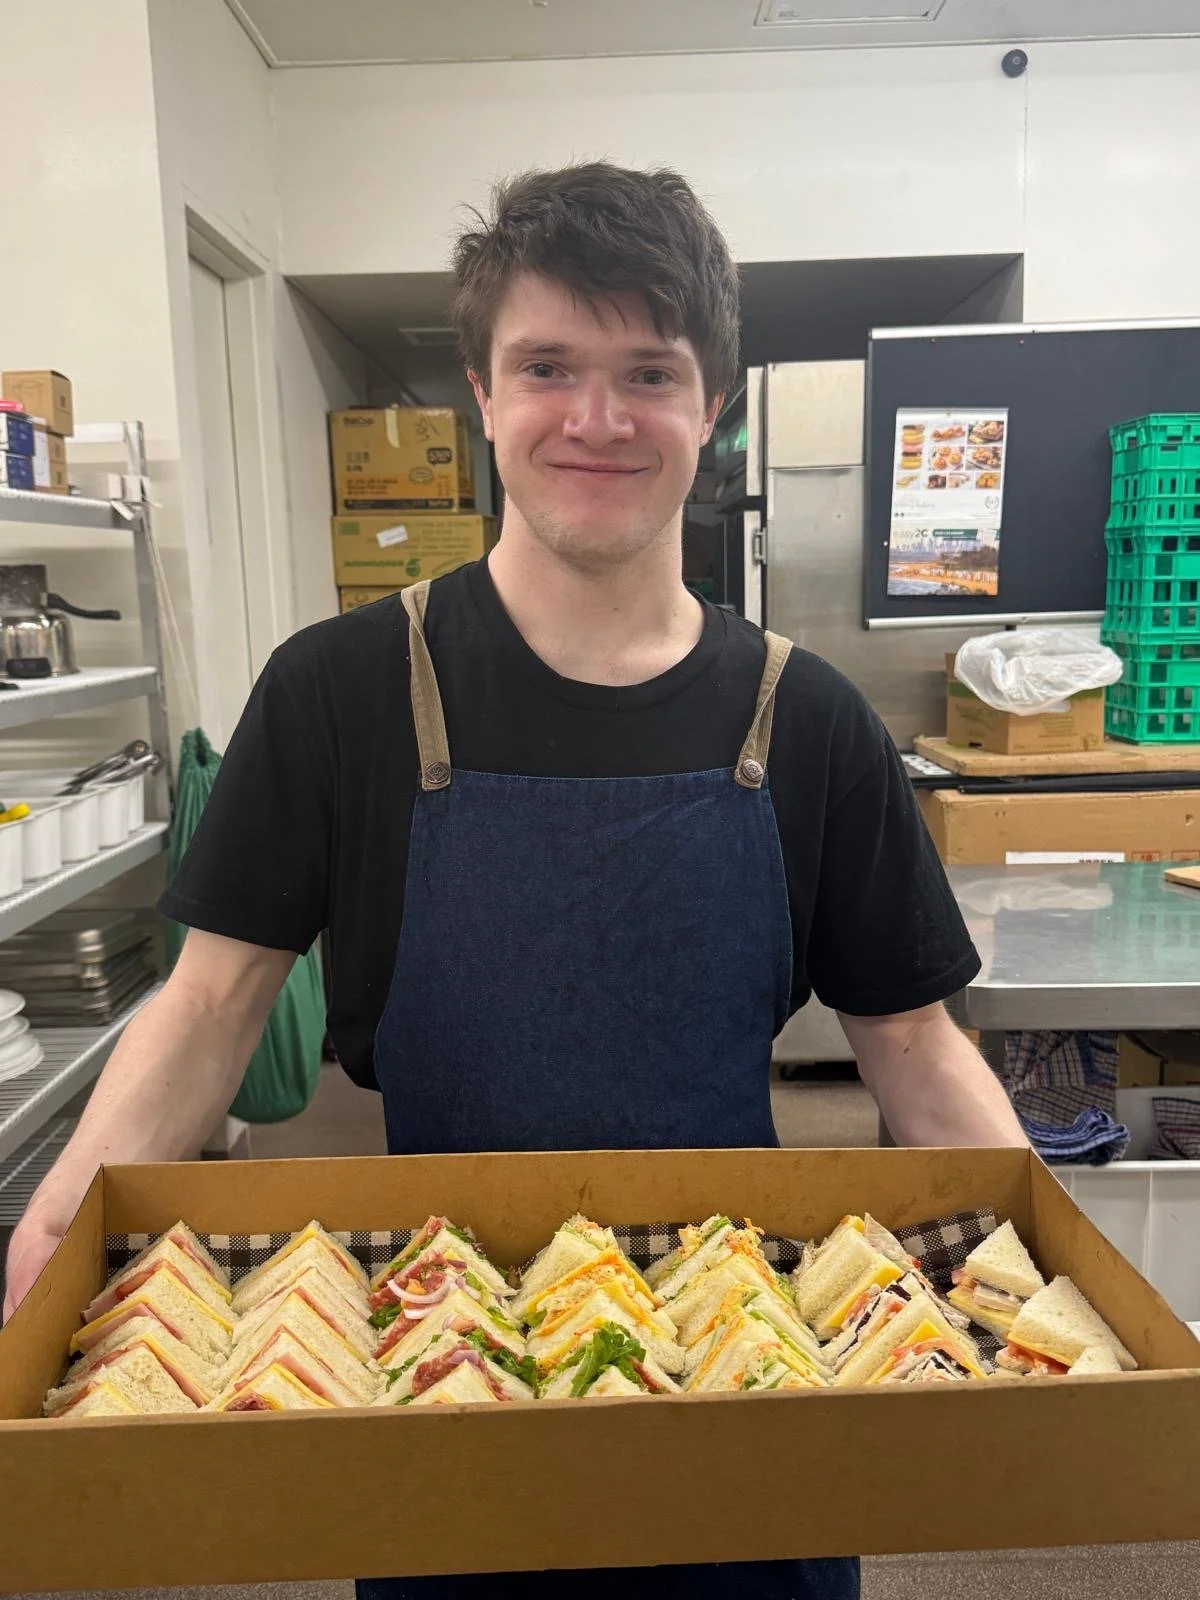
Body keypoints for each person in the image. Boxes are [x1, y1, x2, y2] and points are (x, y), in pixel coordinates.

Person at [4, 162, 1025, 1598]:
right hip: (441, 1369)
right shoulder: (340, 691)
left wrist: (1036, 1261)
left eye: (648, 372)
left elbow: (912, 1042)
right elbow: (215, 999)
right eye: (547, 365)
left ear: (713, 406)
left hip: (745, 1389)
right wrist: (60, 1219)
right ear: (482, 395)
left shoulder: (809, 719)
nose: (596, 419)